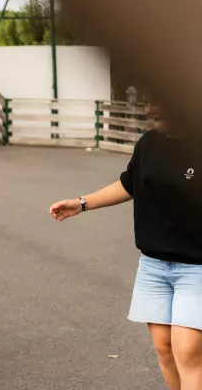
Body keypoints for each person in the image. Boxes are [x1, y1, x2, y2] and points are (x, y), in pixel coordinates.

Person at [49, 102, 202, 390]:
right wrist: (82, 204)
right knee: (165, 350)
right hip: (153, 266)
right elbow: (129, 183)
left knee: (188, 351)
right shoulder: (147, 144)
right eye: (147, 103)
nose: (149, 110)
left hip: (197, 268)